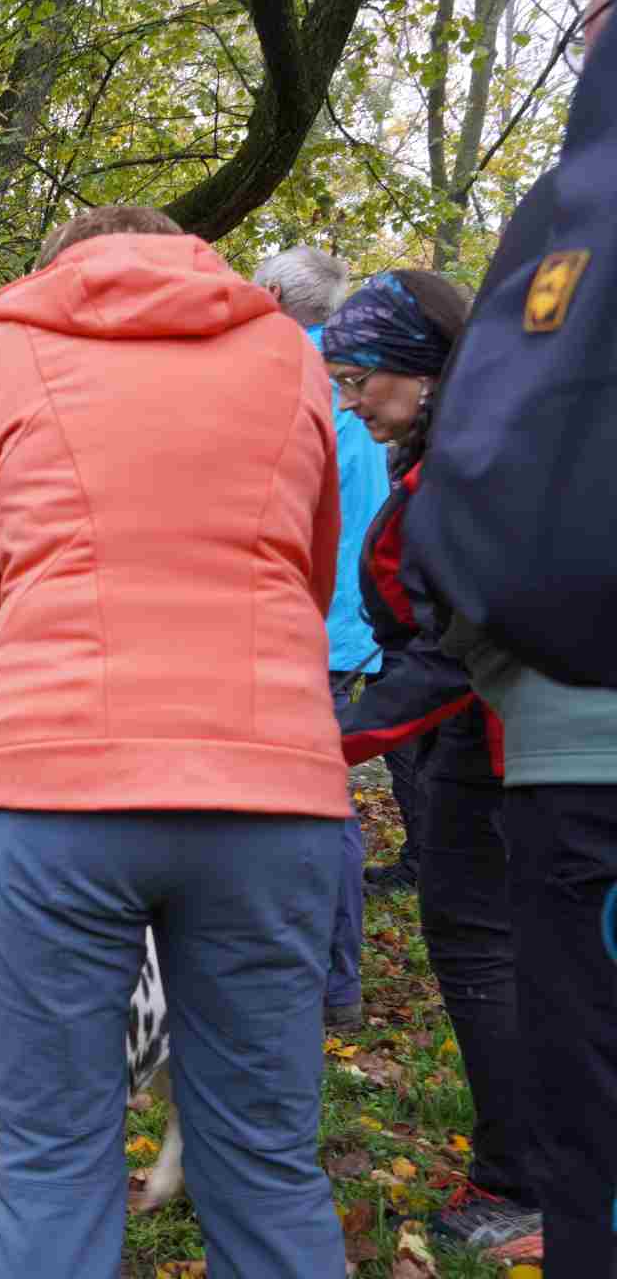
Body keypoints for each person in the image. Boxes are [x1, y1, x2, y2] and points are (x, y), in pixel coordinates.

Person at [0, 205, 348, 1279]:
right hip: (269, 780)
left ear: (59, 268)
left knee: (51, 1158)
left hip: (53, 776)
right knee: (267, 1159)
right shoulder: (291, 353)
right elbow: (311, 571)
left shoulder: (7, 349)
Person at [408, 4, 616, 1267]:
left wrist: (478, 638)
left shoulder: (575, 214)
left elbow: (495, 480)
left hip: (585, 749)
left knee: (595, 1103)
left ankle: (534, 1189)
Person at [324, 271, 541, 1254]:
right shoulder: (469, 451)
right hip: (495, 742)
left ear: (422, 369)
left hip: (498, 749)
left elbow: (453, 651)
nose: (351, 400)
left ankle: (520, 1185)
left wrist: (325, 741)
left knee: (483, 949)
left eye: (360, 377)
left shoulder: (467, 472)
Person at [255, 246, 390, 1031]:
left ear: (272, 292)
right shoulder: (355, 382)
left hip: (308, 623)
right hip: (354, 622)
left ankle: (331, 983)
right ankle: (327, 978)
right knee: (320, 797)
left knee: (315, 806)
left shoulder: (283, 375)